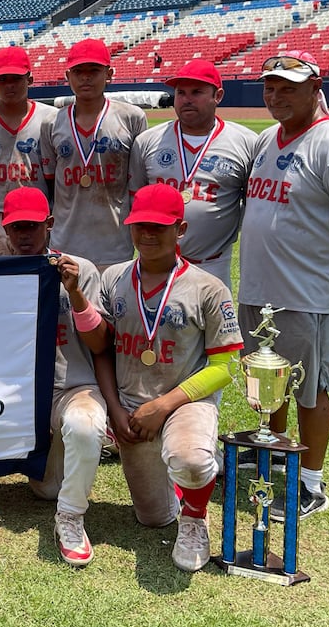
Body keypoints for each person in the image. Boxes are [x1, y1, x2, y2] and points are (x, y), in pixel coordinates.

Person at [239, 51, 329, 519]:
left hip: (308, 295)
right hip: (260, 289)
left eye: (288, 87)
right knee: (270, 380)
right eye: (270, 87)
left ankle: (311, 483)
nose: (276, 96)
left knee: (311, 389)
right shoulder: (267, 139)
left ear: (315, 86)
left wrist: (321, 256)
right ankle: (278, 452)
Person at [96, 184, 245, 572]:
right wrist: (114, 410)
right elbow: (101, 351)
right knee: (154, 518)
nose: (147, 234)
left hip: (184, 402)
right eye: (140, 225)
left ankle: (195, 516)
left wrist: (163, 406)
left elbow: (223, 368)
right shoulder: (113, 278)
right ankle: (181, 485)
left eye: (159, 227)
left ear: (180, 229)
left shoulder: (208, 288)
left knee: (191, 461)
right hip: (130, 411)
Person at [0, 187, 112, 564]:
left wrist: (76, 293)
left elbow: (99, 344)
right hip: (19, 395)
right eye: (17, 228)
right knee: (45, 489)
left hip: (71, 387)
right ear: (5, 231)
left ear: (48, 225)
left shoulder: (80, 270)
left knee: (84, 425)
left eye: (32, 226)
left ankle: (71, 517)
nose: (25, 234)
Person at [128, 59, 256, 289]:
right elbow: (135, 198)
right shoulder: (148, 141)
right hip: (156, 263)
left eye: (196, 92)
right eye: (181, 92)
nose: (187, 99)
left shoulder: (246, 142)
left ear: (218, 95)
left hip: (212, 264)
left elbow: (252, 205)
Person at [42, 38, 148, 270]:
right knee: (68, 305)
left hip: (114, 243)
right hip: (66, 240)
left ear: (109, 74)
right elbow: (50, 182)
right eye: (79, 71)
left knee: (108, 305)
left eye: (94, 70)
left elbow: (138, 183)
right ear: (68, 76)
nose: (86, 77)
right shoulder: (52, 122)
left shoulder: (131, 117)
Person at [0, 46, 51, 256]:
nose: (10, 85)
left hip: (35, 218)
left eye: (16, 78)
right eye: (3, 79)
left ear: (29, 79)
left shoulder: (50, 119)